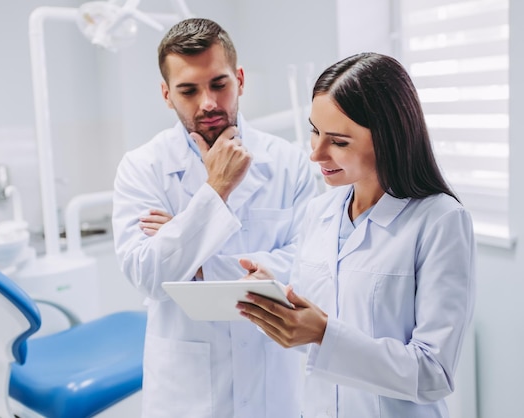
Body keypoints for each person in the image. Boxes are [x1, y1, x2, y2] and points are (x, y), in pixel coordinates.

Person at [236, 52, 476, 418]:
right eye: (314, 131)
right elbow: (314, 342)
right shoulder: (319, 212)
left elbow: (433, 374)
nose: (315, 154)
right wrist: (280, 303)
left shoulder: (440, 221)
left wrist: (325, 334)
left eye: (338, 141)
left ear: (389, 137)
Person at [111, 18, 318, 418]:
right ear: (166, 95)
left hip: (271, 380)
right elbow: (149, 276)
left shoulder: (289, 162)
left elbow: (311, 264)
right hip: (188, 391)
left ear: (239, 79)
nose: (207, 102)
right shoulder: (142, 167)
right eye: (188, 90)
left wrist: (196, 262)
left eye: (219, 84)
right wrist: (216, 189)